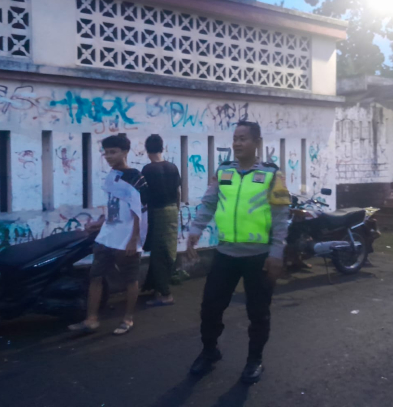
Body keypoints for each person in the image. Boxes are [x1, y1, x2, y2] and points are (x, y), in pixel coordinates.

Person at [187, 121, 290, 384]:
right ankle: (209, 352)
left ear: (257, 142)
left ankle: (255, 360)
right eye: (235, 138)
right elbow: (209, 203)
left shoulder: (272, 175)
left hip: (259, 257)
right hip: (225, 254)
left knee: (258, 312)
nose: (237, 143)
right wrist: (195, 230)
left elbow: (280, 217)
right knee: (210, 308)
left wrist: (276, 252)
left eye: (243, 138)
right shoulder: (223, 171)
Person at [68, 135, 148, 335]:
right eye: (106, 152)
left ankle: (128, 318)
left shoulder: (136, 178)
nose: (109, 156)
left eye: (113, 152)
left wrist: (134, 239)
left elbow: (140, 212)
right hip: (107, 235)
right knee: (95, 276)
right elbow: (113, 205)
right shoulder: (111, 175)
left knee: (130, 279)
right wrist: (100, 222)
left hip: (126, 238)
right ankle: (91, 319)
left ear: (125, 152)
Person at [141, 134, 181, 306]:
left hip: (157, 213)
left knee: (159, 254)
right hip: (172, 210)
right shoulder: (172, 167)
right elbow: (178, 192)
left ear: (147, 150)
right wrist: (176, 210)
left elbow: (144, 197)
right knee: (167, 251)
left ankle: (165, 294)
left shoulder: (147, 170)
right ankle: (157, 288)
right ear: (162, 148)